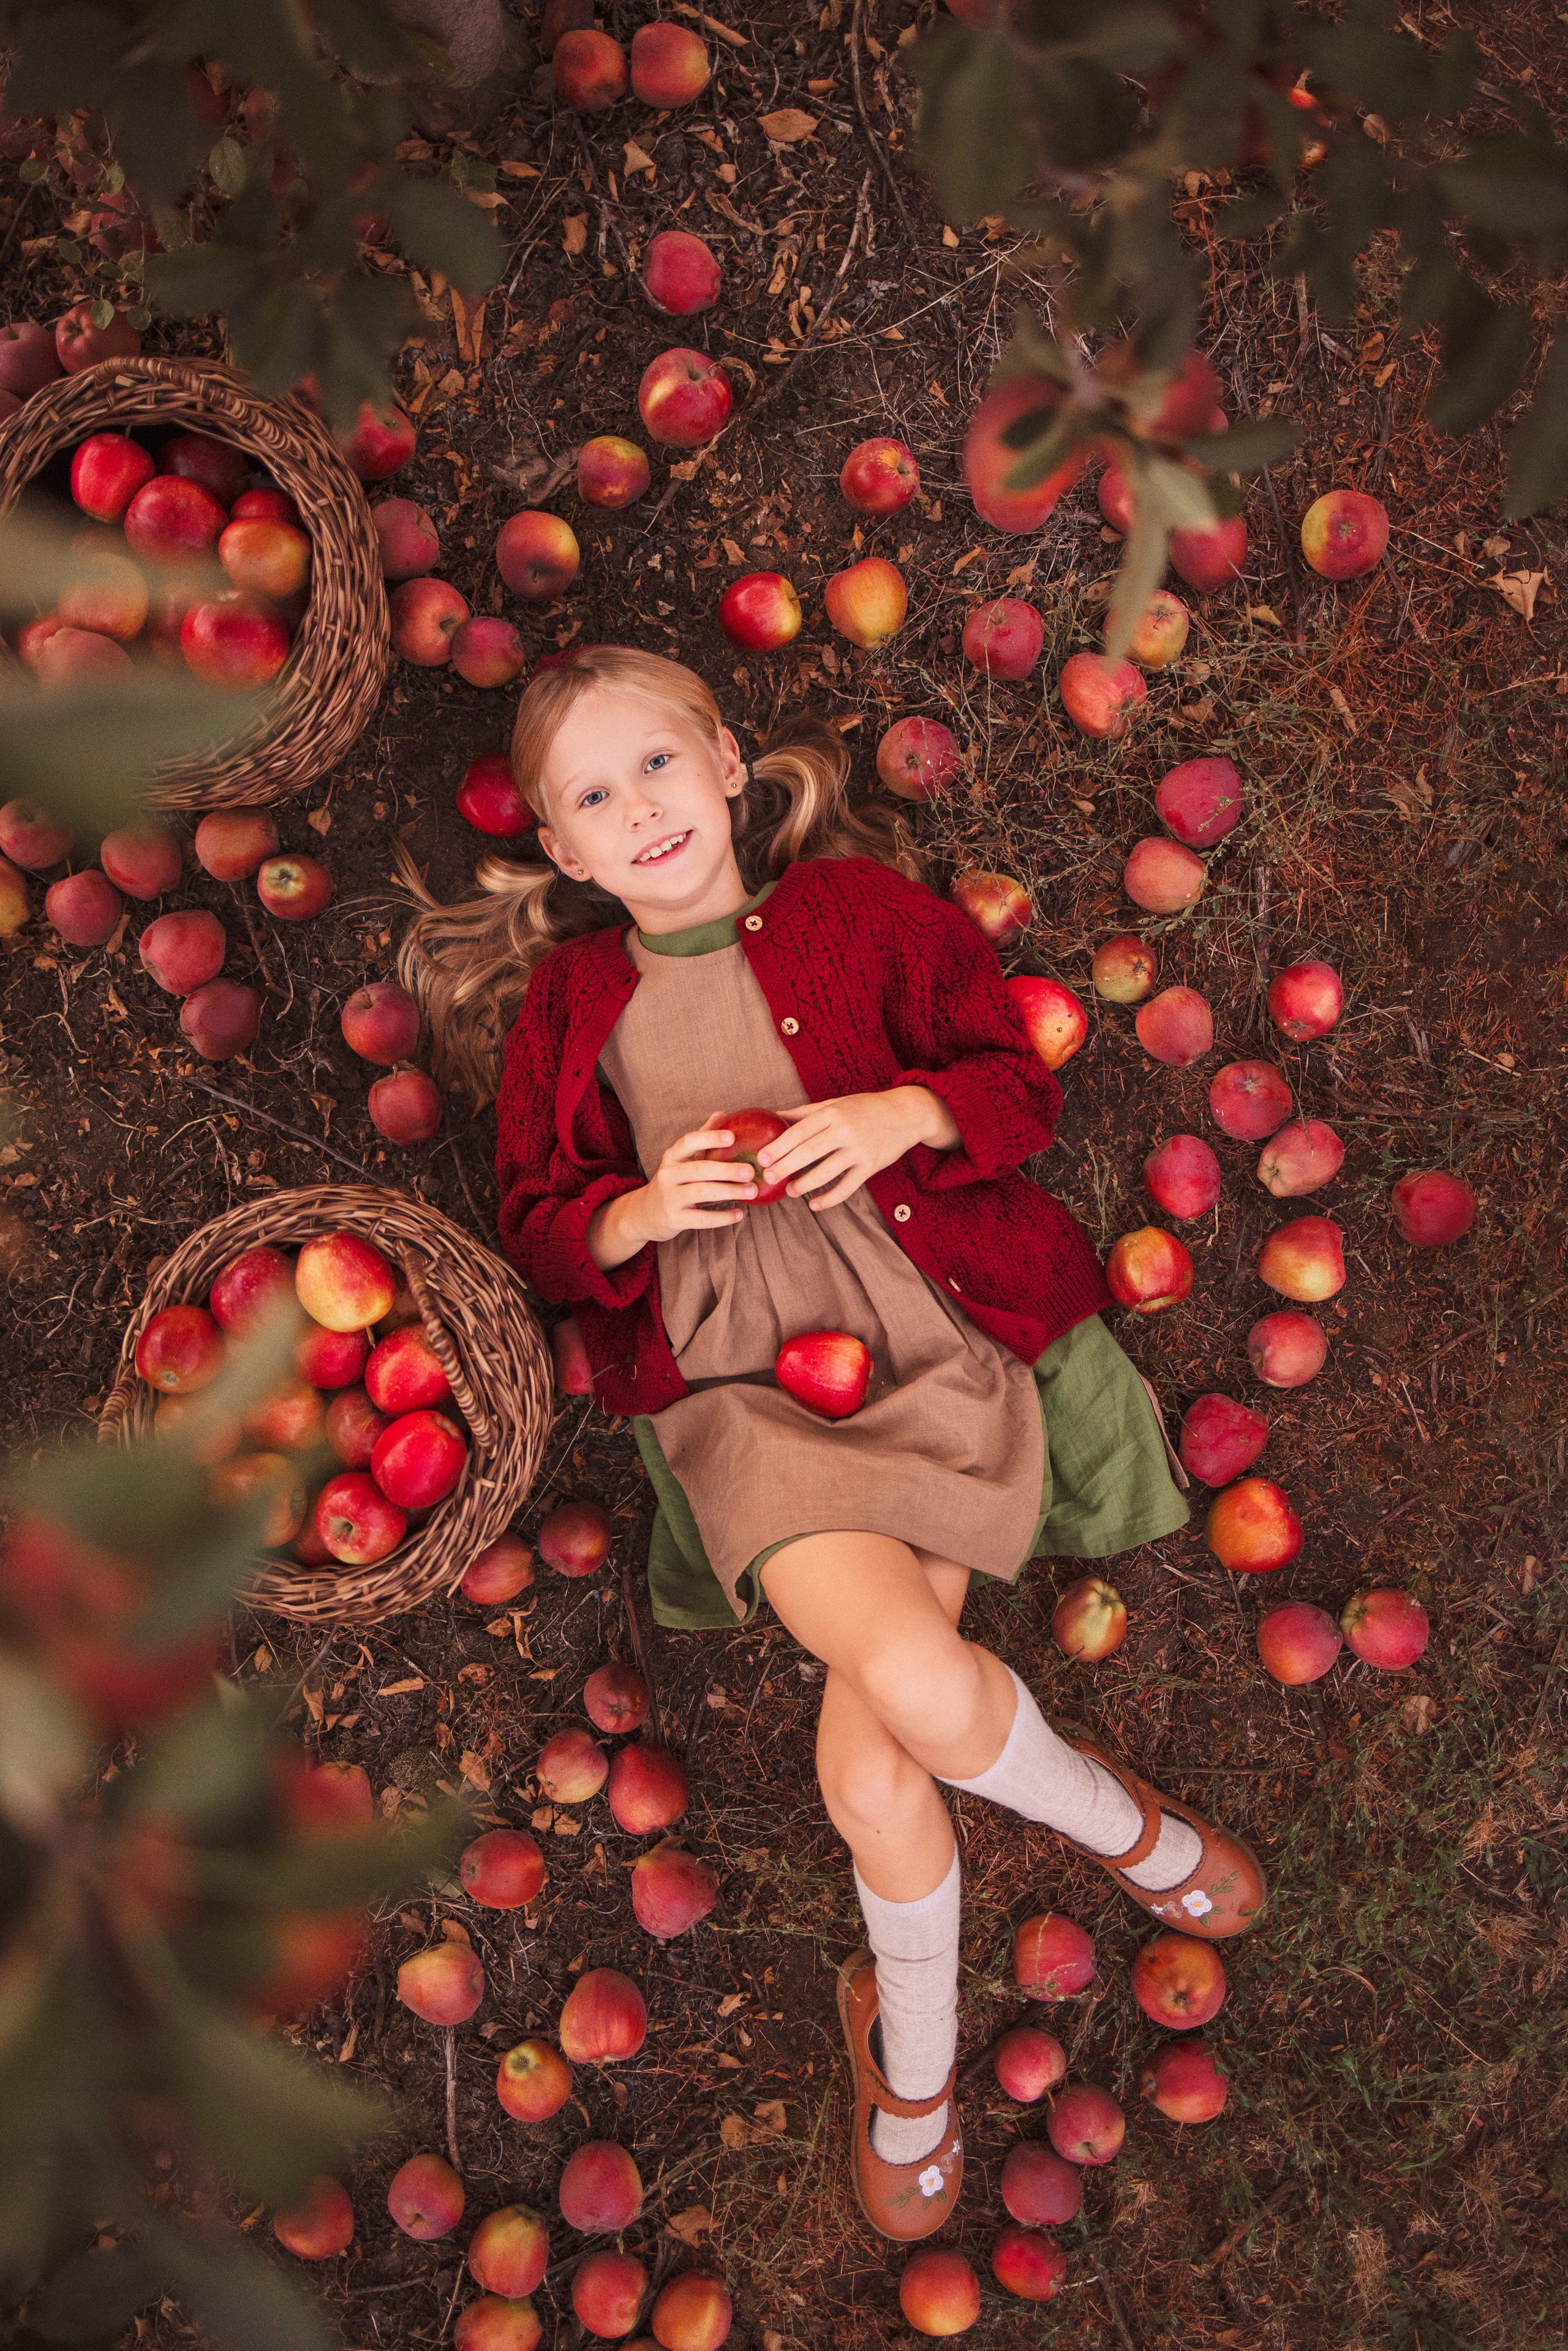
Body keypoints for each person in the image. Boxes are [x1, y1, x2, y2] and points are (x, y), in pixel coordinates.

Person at [399, 646, 1267, 2246]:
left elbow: (1010, 1082)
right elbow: (534, 1222)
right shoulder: (569, 1006)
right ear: (568, 853)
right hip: (746, 1401)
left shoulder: (864, 920)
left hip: (930, 1350)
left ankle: (909, 2062)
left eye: (658, 766)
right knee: (933, 1691)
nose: (640, 809)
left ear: (728, 766)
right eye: (594, 798)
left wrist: (902, 1119)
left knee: (879, 1762)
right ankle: (1126, 1833)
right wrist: (638, 1210)